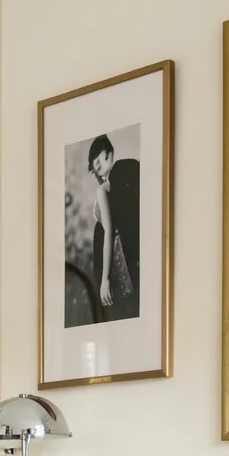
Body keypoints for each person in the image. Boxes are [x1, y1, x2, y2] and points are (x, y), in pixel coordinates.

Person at [87, 134, 140, 321]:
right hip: (123, 262)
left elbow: (109, 233)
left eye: (99, 160)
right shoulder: (120, 178)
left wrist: (104, 279)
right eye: (94, 164)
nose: (97, 165)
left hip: (118, 266)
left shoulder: (104, 189)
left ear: (109, 154)